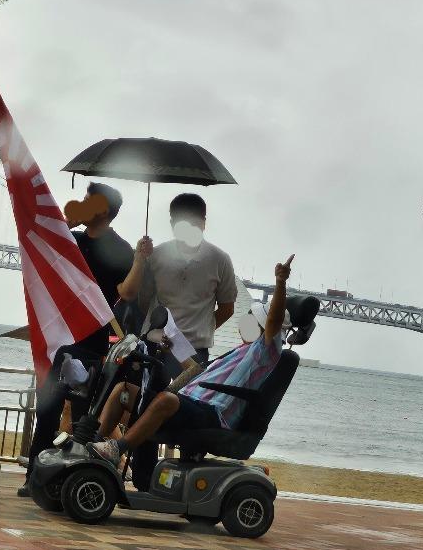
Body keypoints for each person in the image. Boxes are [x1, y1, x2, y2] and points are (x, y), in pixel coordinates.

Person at [89, 254, 294, 468]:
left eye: (252, 317)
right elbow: (197, 373)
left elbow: (274, 321)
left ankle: (116, 449)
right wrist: (173, 349)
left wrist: (280, 282)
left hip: (214, 413)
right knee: (123, 391)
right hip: (192, 404)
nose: (246, 320)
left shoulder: (263, 352)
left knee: (167, 399)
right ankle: (94, 448)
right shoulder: (238, 352)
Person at [18, 182, 138, 497]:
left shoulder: (121, 250)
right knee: (47, 412)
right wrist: (64, 227)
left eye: (87, 200)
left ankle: (77, 481)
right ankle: (34, 478)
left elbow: (128, 294)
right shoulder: (72, 240)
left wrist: (143, 259)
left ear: (102, 209)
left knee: (85, 419)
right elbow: (38, 250)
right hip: (59, 344)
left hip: (91, 347)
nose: (79, 204)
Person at [119, 193, 237, 377]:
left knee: (183, 402)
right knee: (143, 400)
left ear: (204, 223)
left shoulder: (220, 260)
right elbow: (144, 300)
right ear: (173, 223)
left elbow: (227, 308)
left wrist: (200, 329)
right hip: (154, 344)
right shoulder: (156, 255)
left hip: (194, 351)